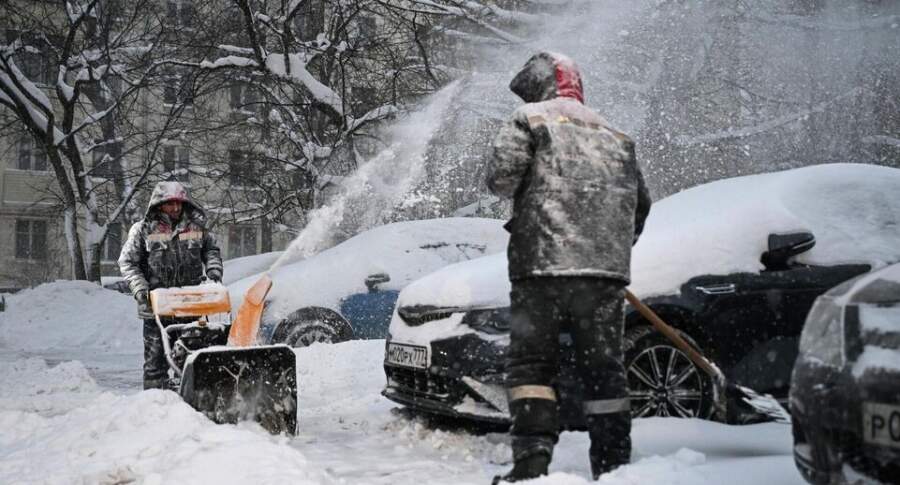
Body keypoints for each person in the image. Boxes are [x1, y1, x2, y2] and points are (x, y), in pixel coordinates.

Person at [487, 52, 651, 483]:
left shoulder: (529, 119)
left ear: (538, 86)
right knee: (604, 370)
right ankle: (615, 467)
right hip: (603, 276)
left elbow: (502, 178)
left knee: (532, 367)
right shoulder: (616, 134)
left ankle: (532, 463)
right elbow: (640, 206)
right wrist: (603, 249)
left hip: (539, 268)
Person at [118, 181, 223, 390]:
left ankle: (192, 405)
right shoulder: (142, 229)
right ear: (158, 204)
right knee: (155, 363)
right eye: (170, 204)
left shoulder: (197, 227)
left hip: (191, 305)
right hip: (156, 307)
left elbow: (211, 250)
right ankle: (155, 405)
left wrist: (213, 270)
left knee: (194, 359)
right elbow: (127, 262)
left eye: (179, 203)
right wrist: (140, 288)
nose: (175, 208)